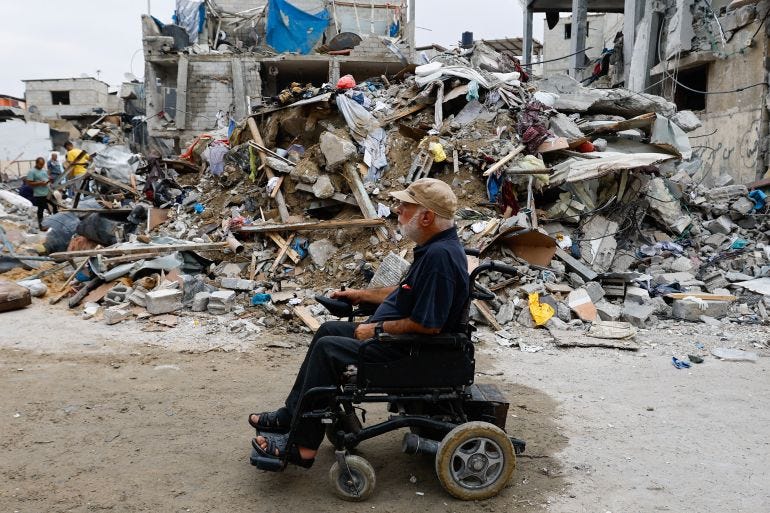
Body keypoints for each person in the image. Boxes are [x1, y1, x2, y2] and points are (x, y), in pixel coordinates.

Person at [249, 178, 469, 467]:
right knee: (328, 331)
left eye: (405, 206)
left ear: (426, 216)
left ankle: (302, 446)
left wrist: (376, 329)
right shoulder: (435, 248)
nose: (397, 210)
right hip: (401, 343)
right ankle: (291, 414)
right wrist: (361, 295)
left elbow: (428, 325)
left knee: (329, 349)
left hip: (411, 351)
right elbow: (406, 293)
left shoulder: (439, 257)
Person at [25, 157, 58, 230]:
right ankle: (41, 226)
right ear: (36, 163)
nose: (42, 166)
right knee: (41, 210)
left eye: (43, 164)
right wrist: (40, 183)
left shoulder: (43, 170)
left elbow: (45, 178)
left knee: (55, 205)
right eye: (40, 164)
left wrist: (49, 179)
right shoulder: (32, 171)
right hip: (39, 194)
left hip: (48, 192)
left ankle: (57, 222)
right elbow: (29, 183)